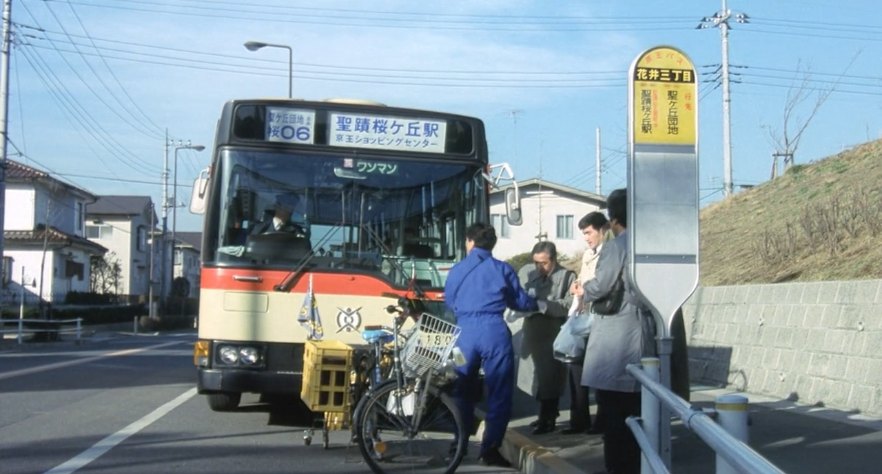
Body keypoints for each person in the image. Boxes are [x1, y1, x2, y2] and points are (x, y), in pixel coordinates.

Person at [444, 222, 538, 468]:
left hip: (463, 336)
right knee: (499, 392)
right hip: (494, 333)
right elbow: (519, 302)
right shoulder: (503, 269)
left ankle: (459, 444)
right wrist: (536, 303)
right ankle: (490, 450)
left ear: (470, 242)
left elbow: (450, 302)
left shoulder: (457, 270)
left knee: (460, 387)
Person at [577, 189, 657, 474]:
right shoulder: (650, 243)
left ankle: (618, 467)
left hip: (617, 332)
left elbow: (603, 285)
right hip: (644, 329)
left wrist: (585, 287)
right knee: (638, 408)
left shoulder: (616, 246)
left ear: (613, 219)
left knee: (614, 410)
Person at [514, 241, 575, 435]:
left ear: (554, 260)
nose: (540, 267)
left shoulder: (566, 276)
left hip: (553, 332)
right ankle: (545, 413)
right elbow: (517, 294)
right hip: (532, 330)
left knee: (551, 377)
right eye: (536, 262)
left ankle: (548, 417)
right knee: (535, 376)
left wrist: (544, 306)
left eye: (544, 263)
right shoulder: (526, 272)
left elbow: (568, 305)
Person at [562, 211, 609, 435]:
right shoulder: (587, 255)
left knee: (599, 372)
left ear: (603, 229)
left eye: (589, 232)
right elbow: (583, 280)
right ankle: (579, 420)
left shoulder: (610, 253)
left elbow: (603, 285)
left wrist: (585, 289)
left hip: (601, 318)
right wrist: (577, 288)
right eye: (584, 234)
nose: (587, 238)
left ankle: (600, 421)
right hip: (584, 315)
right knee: (575, 367)